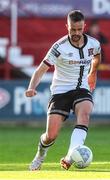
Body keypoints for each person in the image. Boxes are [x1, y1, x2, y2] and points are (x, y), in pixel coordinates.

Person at [25, 10, 101, 171]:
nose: (76, 33)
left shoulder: (93, 44)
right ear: (67, 26)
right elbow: (40, 70)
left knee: (85, 112)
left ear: (84, 26)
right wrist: (32, 87)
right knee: (50, 136)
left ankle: (69, 157)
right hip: (60, 92)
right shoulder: (58, 47)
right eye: (73, 29)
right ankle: (40, 155)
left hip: (82, 88)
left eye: (79, 29)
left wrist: (93, 73)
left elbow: (97, 56)